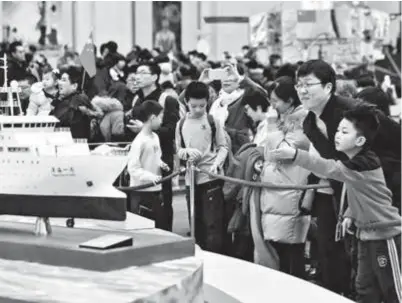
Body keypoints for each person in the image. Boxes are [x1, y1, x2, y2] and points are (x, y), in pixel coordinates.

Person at [272, 104, 401, 303]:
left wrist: (295, 155)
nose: (337, 135)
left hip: (385, 236)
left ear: (360, 140)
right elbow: (362, 193)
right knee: (364, 288)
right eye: (338, 130)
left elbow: (330, 169)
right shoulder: (356, 162)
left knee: (393, 288)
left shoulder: (362, 164)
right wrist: (350, 214)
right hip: (366, 236)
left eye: (344, 131)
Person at [296, 59, 401, 296]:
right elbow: (335, 168)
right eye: (298, 84)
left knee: (387, 275)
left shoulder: (354, 113)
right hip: (345, 197)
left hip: (383, 197)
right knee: (339, 258)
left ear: (328, 87)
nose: (302, 90)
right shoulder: (310, 123)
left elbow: (395, 138)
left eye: (308, 84)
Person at [254, 76, 312, 279]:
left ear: (289, 101)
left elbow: (282, 151)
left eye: (276, 100)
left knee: (291, 248)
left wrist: (270, 125)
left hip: (290, 189)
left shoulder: (301, 119)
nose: (272, 105)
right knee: (281, 246)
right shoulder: (284, 119)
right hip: (279, 188)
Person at [126, 61, 180, 232]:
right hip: (140, 156)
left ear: (155, 77)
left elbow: (172, 130)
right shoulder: (136, 99)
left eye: (142, 73)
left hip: (161, 156)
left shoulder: (167, 99)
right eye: (136, 73)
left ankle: (165, 235)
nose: (137, 76)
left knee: (162, 202)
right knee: (140, 200)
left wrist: (144, 129)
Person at [176, 81, 229, 253]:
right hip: (191, 181)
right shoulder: (181, 123)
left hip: (211, 179)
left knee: (213, 225)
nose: (198, 109)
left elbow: (223, 146)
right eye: (194, 106)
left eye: (202, 105)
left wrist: (217, 163)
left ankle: (216, 259)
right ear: (186, 103)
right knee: (195, 223)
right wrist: (185, 153)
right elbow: (178, 149)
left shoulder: (214, 121)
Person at [127, 100, 169, 228]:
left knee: (157, 225)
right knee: (143, 227)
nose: (162, 121)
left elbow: (157, 156)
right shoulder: (139, 141)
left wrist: (161, 164)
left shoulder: (155, 137)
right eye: (161, 117)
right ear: (153, 118)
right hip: (141, 191)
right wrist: (150, 177)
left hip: (155, 189)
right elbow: (133, 169)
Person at [50, 66, 97, 139]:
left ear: (74, 86)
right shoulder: (67, 100)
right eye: (60, 79)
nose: (59, 82)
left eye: (64, 80)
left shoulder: (73, 104)